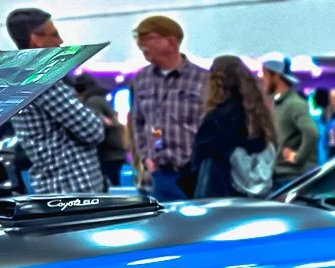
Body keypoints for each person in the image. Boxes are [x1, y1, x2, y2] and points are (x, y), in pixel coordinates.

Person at [2, 8, 106, 195]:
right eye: (54, 34)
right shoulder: (43, 80)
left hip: (52, 185)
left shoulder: (17, 79)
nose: (61, 41)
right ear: (35, 39)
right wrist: (97, 117)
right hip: (74, 187)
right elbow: (93, 131)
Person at [127, 13, 207, 201]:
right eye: (139, 38)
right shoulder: (141, 79)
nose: (140, 43)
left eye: (147, 37)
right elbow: (140, 123)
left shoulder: (203, 79)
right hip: (158, 174)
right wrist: (147, 156)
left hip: (195, 174)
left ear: (171, 42)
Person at [185, 54, 272, 197]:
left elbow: (197, 160)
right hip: (249, 196)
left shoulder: (215, 119)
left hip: (218, 194)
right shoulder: (256, 115)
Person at [261, 57, 317, 187]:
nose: (263, 79)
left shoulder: (294, 103)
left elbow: (312, 133)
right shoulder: (279, 104)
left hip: (291, 178)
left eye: (265, 74)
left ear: (276, 76)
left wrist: (298, 158)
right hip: (281, 176)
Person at [70, 73, 126, 188]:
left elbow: (90, 126)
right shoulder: (99, 99)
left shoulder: (92, 102)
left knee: (109, 189)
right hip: (114, 152)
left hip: (107, 153)